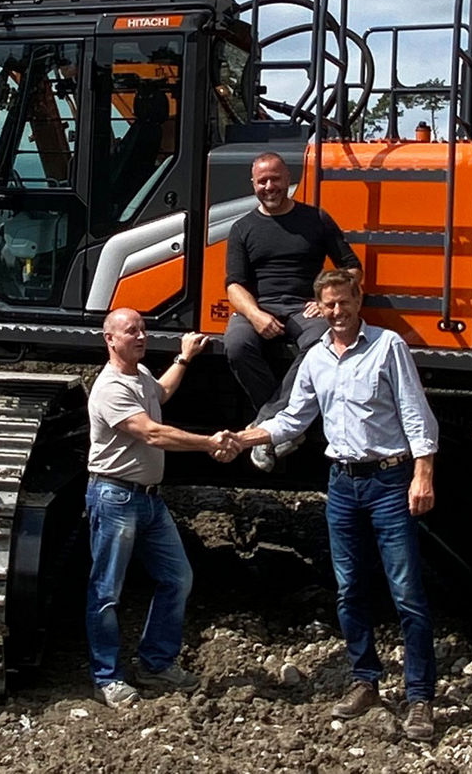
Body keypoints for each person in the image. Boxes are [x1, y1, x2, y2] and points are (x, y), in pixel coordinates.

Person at [221, 269, 441, 741]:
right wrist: (244, 439)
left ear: (358, 301)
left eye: (345, 303)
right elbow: (291, 419)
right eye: (330, 306)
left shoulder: (388, 347)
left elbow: (415, 414)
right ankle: (366, 682)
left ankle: (420, 697)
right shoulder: (316, 359)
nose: (338, 313)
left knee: (406, 592)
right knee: (349, 589)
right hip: (342, 484)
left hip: (388, 481)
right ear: (318, 308)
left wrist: (423, 475)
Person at [86, 310, 232, 708]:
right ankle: (107, 678)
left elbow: (160, 394)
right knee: (106, 591)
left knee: (178, 578)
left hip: (148, 499)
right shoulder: (110, 388)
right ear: (110, 339)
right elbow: (151, 431)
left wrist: (184, 357)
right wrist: (208, 443)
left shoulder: (139, 376)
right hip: (115, 497)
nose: (141, 335)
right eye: (131, 330)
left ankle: (156, 663)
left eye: (143, 329)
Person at [223, 150, 361, 469]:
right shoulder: (242, 228)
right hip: (259, 306)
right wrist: (256, 316)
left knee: (319, 345)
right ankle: (284, 427)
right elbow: (234, 285)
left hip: (304, 307)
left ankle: (268, 425)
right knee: (236, 344)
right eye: (262, 181)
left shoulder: (316, 219)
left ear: (288, 180)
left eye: (275, 179)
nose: (269, 186)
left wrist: (327, 300)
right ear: (253, 184)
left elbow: (352, 268)